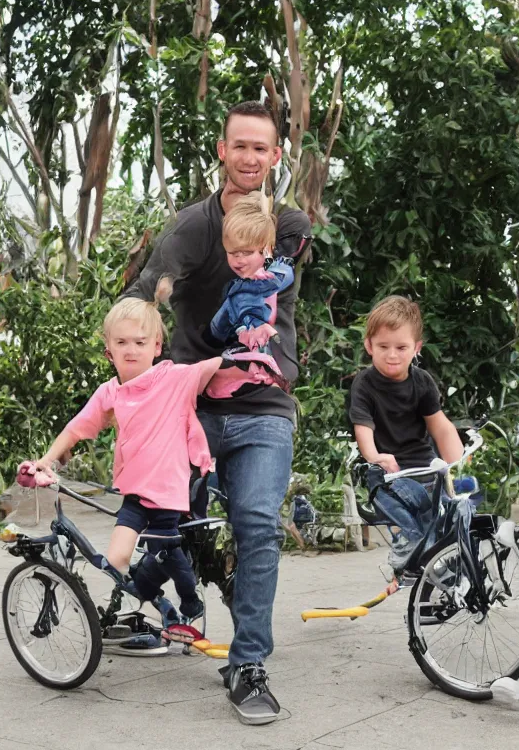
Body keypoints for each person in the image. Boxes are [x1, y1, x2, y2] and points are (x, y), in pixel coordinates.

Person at [125, 99, 311, 725]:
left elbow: (279, 254)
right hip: (191, 402)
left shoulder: (287, 225)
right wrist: (139, 362)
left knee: (258, 521)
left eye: (262, 148)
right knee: (166, 518)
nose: (250, 157)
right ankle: (166, 605)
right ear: (222, 150)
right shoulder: (191, 227)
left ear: (276, 154)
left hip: (263, 402)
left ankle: (248, 662)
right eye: (240, 146)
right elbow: (146, 291)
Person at [18, 279, 222, 650]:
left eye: (141, 343)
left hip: (167, 492)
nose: (131, 350)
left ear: (157, 346)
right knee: (116, 559)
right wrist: (45, 460)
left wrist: (249, 353)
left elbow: (213, 366)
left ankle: (189, 600)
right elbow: (76, 428)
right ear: (109, 349)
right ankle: (151, 597)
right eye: (122, 342)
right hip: (134, 493)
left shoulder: (172, 378)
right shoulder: (110, 392)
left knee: (166, 550)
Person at [347, 295, 462, 573]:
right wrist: (375, 456)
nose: (392, 355)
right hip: (388, 470)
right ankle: (406, 543)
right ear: (369, 346)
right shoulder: (364, 385)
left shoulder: (421, 382)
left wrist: (457, 460)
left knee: (451, 519)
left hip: (423, 465)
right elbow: (364, 430)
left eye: (401, 347)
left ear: (416, 348)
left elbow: (440, 426)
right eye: (383, 346)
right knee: (395, 502)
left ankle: (447, 576)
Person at [202, 191, 294, 399]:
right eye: (233, 253)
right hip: (238, 346)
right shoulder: (237, 291)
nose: (239, 260)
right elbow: (218, 328)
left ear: (267, 250)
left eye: (247, 253)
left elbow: (284, 275)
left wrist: (266, 275)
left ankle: (261, 374)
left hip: (263, 346)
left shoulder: (276, 271)